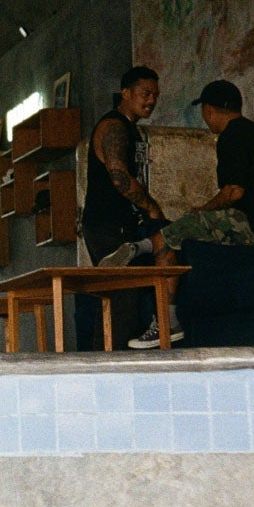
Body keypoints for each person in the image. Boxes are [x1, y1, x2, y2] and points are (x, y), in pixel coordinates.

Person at [129, 78, 254, 348]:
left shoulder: (231, 136)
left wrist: (202, 209)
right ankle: (143, 246)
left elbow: (233, 192)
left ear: (208, 110)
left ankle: (167, 320)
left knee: (172, 232)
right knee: (183, 229)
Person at [78, 63, 166, 348]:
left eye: (155, 95)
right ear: (125, 93)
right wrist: (151, 207)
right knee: (123, 298)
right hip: (107, 225)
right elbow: (118, 176)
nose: (151, 100)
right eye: (145, 93)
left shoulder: (130, 129)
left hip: (121, 224)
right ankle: (109, 369)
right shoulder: (114, 126)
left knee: (125, 298)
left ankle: (104, 364)